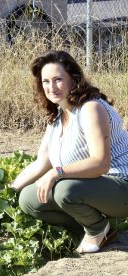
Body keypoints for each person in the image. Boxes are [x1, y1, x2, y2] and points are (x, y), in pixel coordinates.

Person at [9, 50, 128, 254]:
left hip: (120, 185)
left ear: (74, 79)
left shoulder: (91, 109)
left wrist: (57, 172)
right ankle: (99, 225)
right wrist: (10, 189)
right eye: (45, 81)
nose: (51, 87)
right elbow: (41, 163)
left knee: (65, 190)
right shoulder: (57, 117)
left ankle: (98, 229)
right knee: (29, 199)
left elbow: (101, 163)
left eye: (58, 79)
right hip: (92, 190)